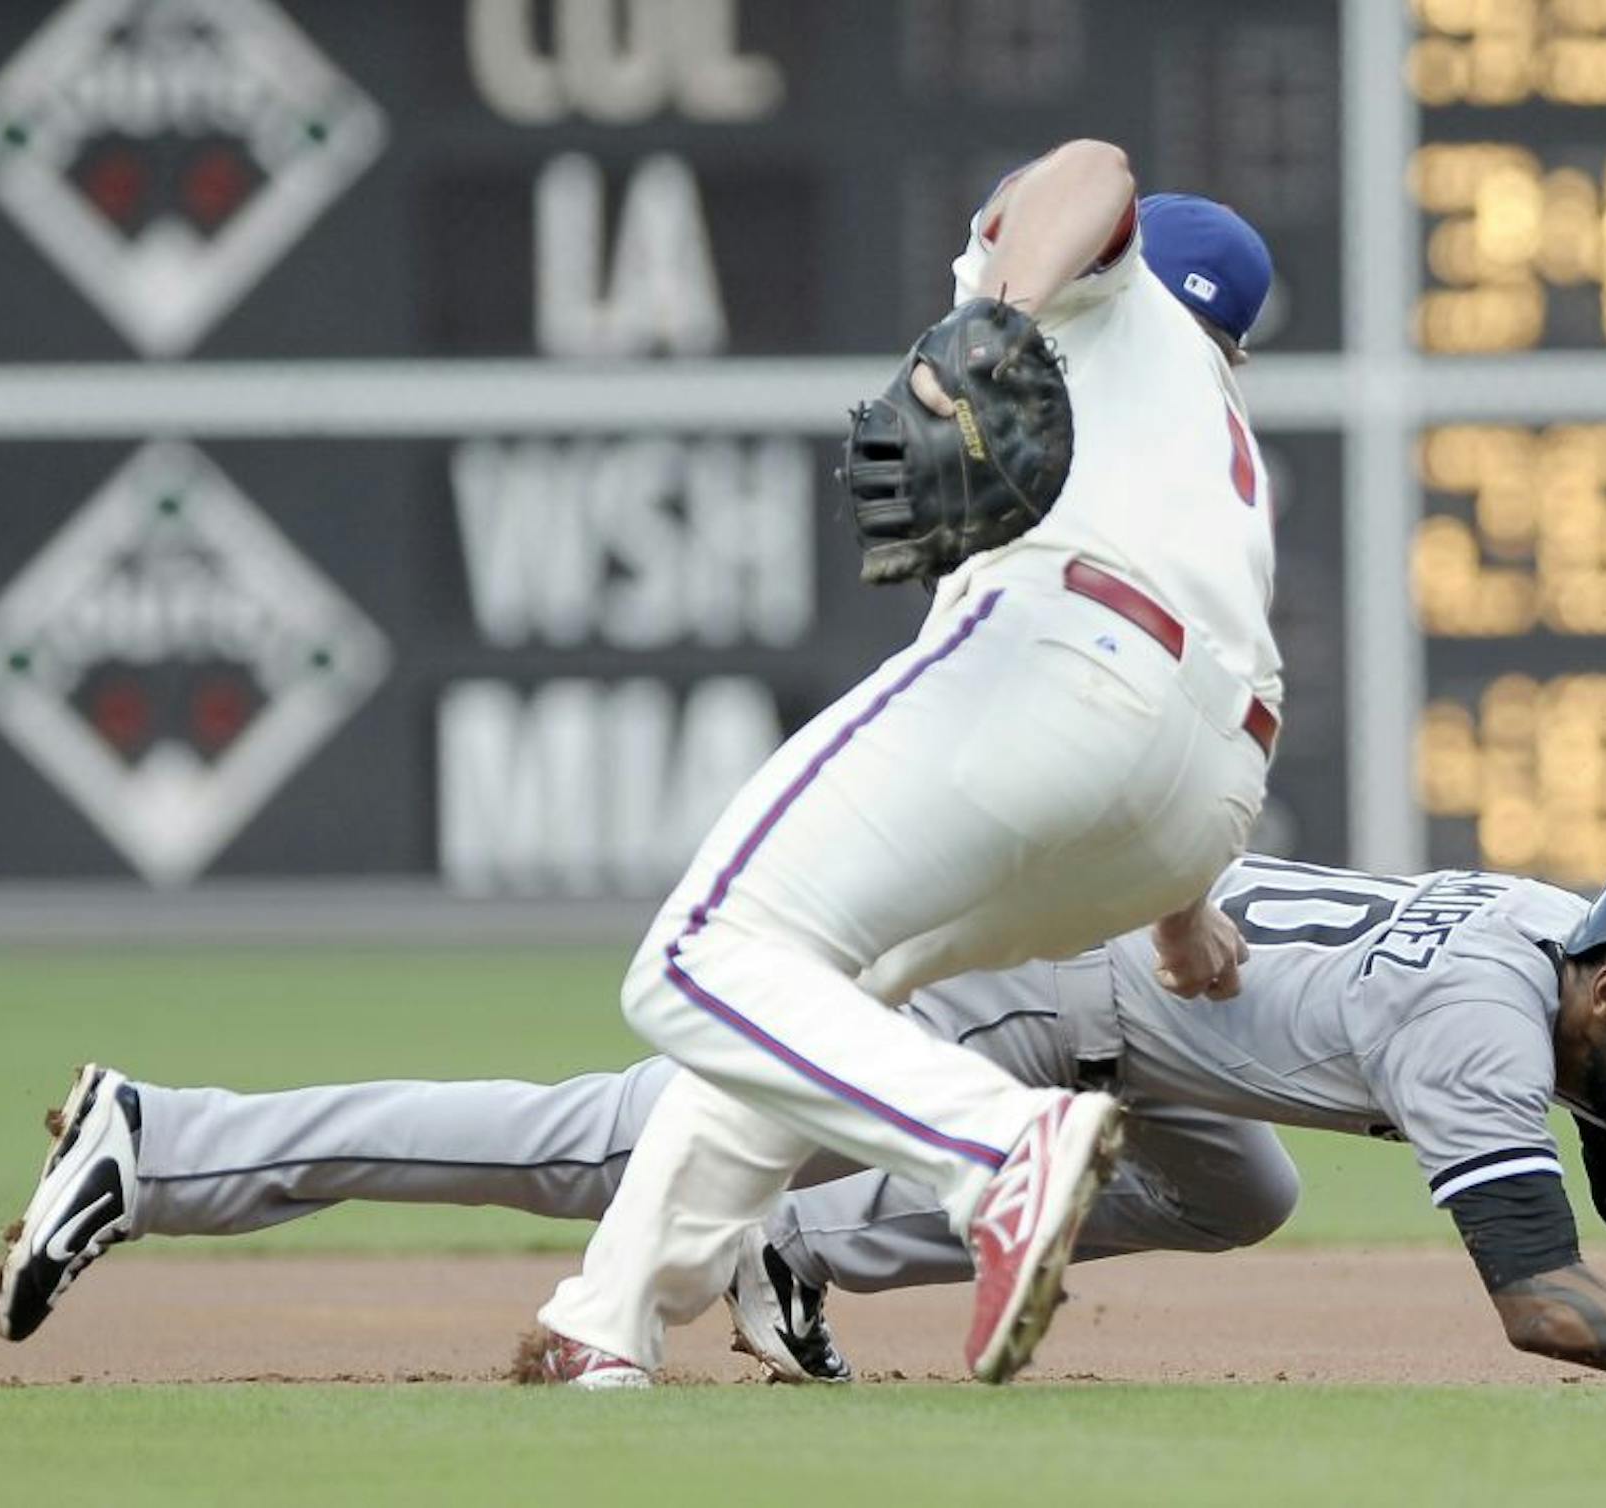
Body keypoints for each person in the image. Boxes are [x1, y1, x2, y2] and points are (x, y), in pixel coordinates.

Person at [0, 853, 1606, 1388]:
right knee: (623, 1146)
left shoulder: (1554, 957)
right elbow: (1553, 1306)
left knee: (1239, 1185)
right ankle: (162, 1139)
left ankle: (794, 1257)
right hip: (1013, 985)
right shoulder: (1498, 1033)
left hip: (1133, 1036)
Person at [523, 139, 1285, 1385]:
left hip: (1062, 662)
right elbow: (1195, 687)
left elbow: (1092, 166)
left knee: (694, 962)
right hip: (1199, 794)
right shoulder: (1215, 444)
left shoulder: (1099, 284)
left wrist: (999, 314)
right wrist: (1180, 908)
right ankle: (610, 1317)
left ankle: (998, 1155)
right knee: (822, 981)